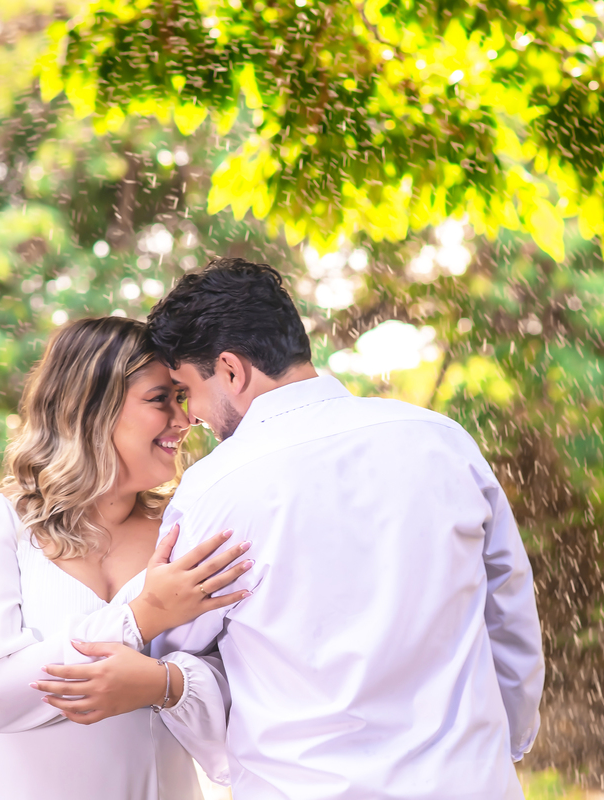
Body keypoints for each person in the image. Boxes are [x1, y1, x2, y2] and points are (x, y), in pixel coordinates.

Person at [39, 258, 546, 799]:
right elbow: (509, 614)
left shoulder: (219, 487)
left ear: (231, 370)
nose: (194, 418)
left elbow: (168, 648)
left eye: (188, 389)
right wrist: (505, 745)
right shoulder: (443, 441)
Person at [0, 316, 252, 799]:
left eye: (182, 398)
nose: (184, 421)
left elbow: (245, 694)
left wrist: (164, 685)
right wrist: (141, 618)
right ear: (90, 407)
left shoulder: (188, 533)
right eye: (161, 399)